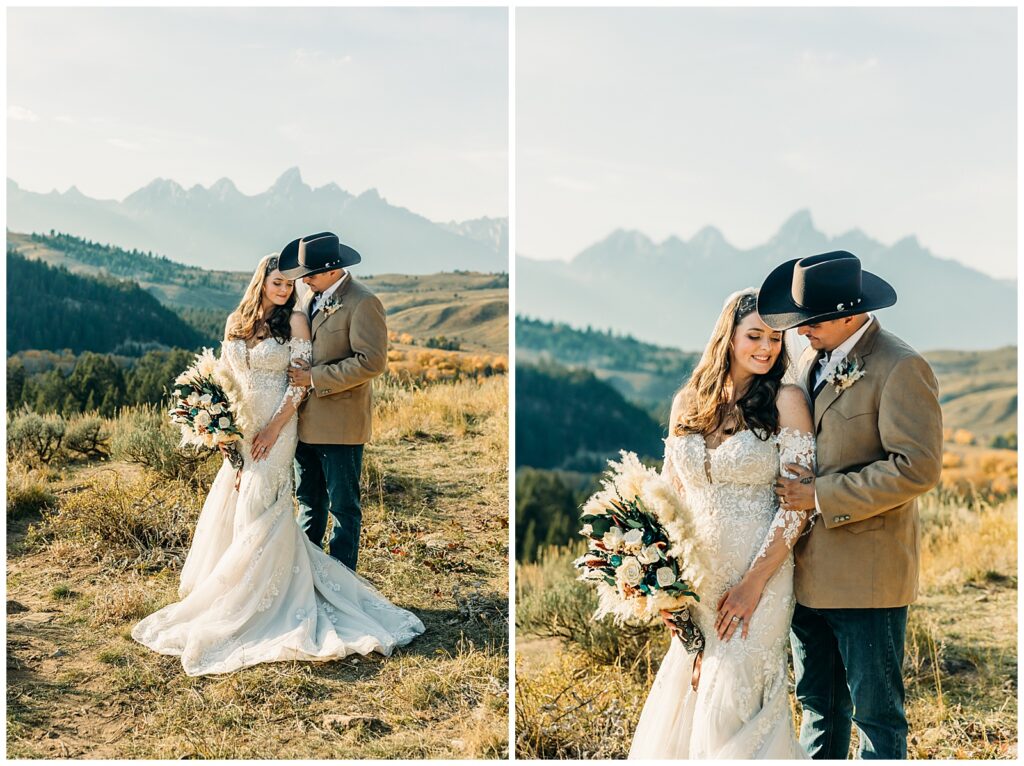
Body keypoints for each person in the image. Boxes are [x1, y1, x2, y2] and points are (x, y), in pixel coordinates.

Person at [132, 253, 424, 676]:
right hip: (243, 429)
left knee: (261, 507)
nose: (287, 290)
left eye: (291, 285)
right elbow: (226, 380)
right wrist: (222, 430)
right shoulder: (237, 320)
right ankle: (237, 588)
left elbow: (299, 384)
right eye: (279, 284)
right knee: (243, 505)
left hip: (279, 428)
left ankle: (258, 599)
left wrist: (271, 430)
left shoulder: (298, 321)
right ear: (261, 282)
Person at [758, 250, 943, 759]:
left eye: (810, 322)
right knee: (818, 708)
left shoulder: (902, 366)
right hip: (804, 576)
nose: (799, 332)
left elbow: (918, 468)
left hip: (868, 580)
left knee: (877, 720)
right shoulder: (810, 359)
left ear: (847, 314)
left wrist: (820, 495)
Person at [629, 288, 815, 759]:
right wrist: (662, 588)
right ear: (728, 337)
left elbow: (797, 505)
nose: (767, 348)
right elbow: (668, 501)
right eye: (755, 335)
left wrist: (754, 583)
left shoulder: (787, 401)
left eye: (776, 339)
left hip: (762, 576)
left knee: (734, 698)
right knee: (692, 685)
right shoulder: (688, 402)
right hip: (696, 580)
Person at [278, 232, 387, 572]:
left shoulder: (362, 302)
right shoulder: (306, 298)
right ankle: (305, 578)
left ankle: (341, 583)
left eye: (308, 272)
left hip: (341, 425)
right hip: (303, 423)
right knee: (309, 503)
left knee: (343, 508)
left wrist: (314, 377)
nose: (303, 279)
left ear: (331, 269)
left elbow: (371, 362)